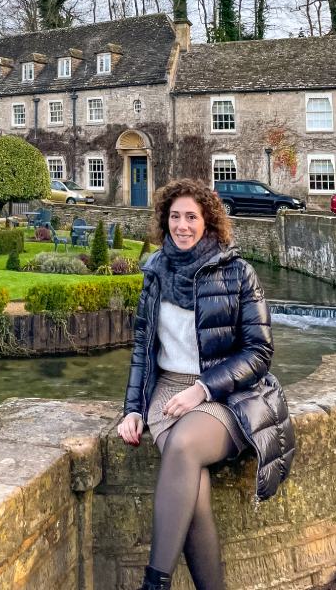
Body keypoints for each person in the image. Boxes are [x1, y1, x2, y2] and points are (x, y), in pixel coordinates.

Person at [118, 178, 295, 590]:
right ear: (165, 221)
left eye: (191, 217)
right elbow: (143, 350)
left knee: (182, 446)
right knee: (193, 496)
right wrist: (131, 409)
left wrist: (202, 389)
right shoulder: (155, 273)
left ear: (208, 221)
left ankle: (154, 582)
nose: (182, 225)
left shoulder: (238, 272)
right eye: (175, 217)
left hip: (228, 393)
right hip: (168, 390)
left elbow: (259, 352)